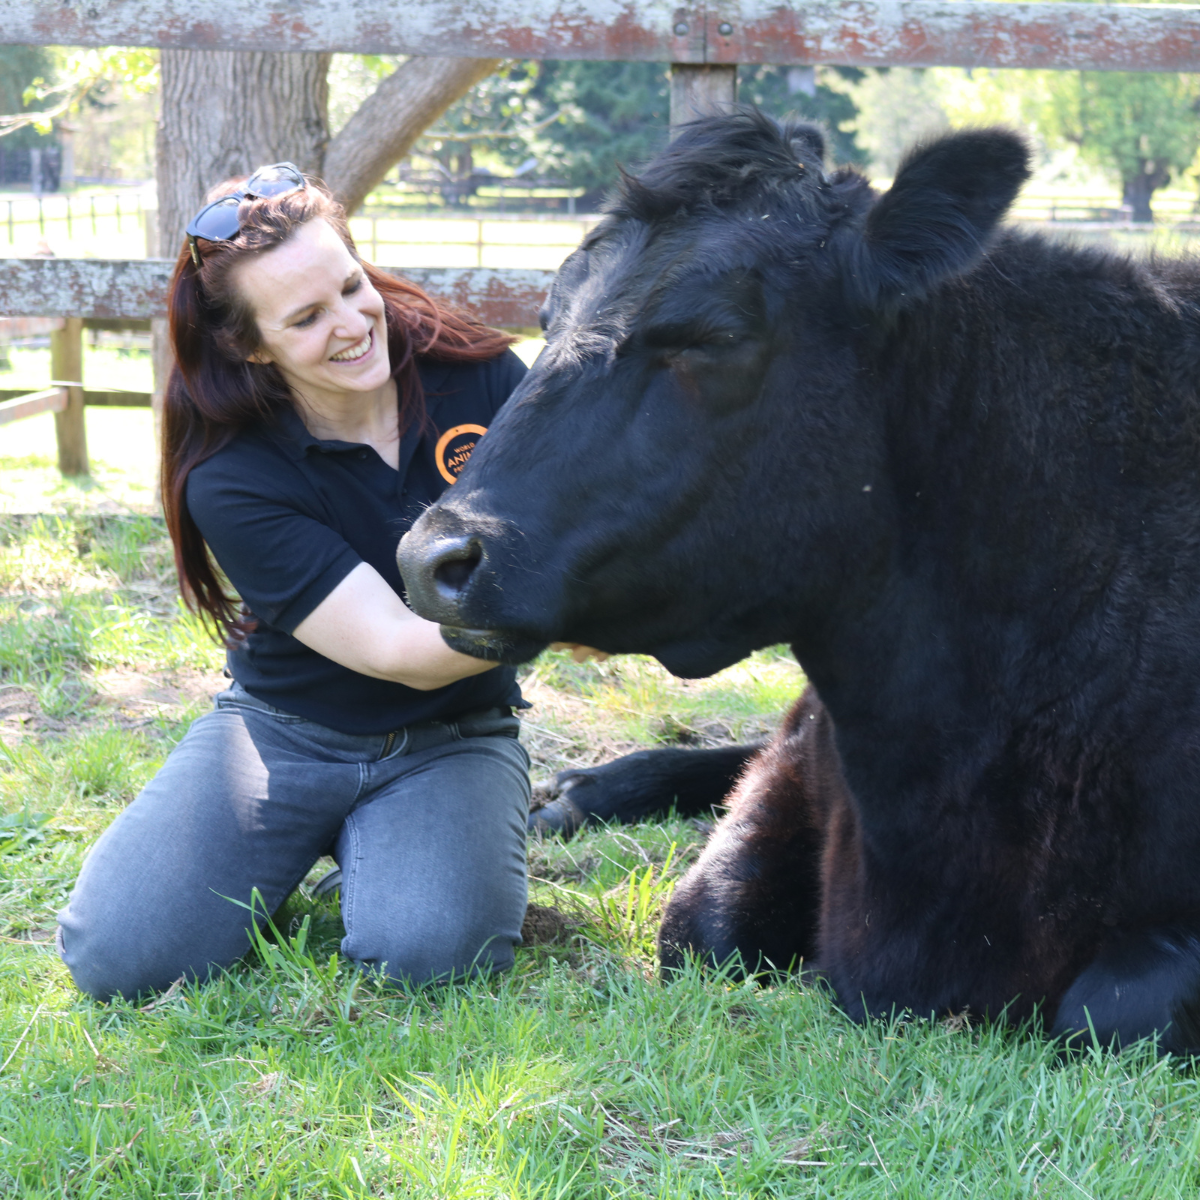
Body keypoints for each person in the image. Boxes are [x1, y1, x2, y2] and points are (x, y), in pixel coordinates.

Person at [56, 164, 578, 1001]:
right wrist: (580, 606)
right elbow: (400, 647)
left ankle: (389, 851)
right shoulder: (231, 474)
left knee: (429, 958)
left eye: (350, 285)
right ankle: (314, 839)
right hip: (283, 737)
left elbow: (581, 517)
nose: (352, 322)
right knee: (120, 961)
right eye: (306, 318)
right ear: (249, 344)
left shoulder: (480, 378)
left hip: (454, 735)